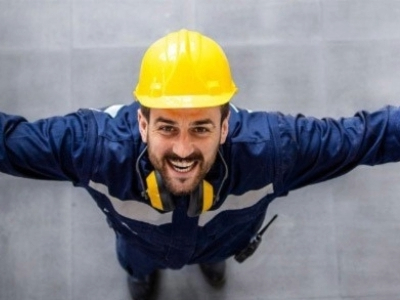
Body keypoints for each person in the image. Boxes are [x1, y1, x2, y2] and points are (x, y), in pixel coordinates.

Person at [1, 28, 400, 300]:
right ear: (142, 123)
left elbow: (363, 138)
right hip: (139, 243)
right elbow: (10, 144)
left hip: (222, 239)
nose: (183, 150)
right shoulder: (93, 149)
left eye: (202, 128)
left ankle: (211, 265)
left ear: (226, 126)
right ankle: (141, 277)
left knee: (216, 254)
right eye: (168, 127)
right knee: (137, 264)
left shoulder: (274, 150)